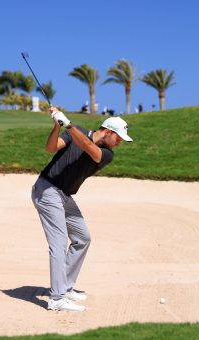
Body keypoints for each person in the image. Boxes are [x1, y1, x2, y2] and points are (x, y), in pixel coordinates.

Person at [31, 107, 133, 312]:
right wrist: (56, 126)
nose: (119, 142)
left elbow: (87, 146)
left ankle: (65, 287)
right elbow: (51, 148)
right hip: (47, 189)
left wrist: (67, 123)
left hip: (65, 196)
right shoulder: (73, 131)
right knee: (58, 243)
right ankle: (57, 298)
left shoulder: (106, 154)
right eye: (119, 138)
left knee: (83, 238)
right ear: (108, 132)